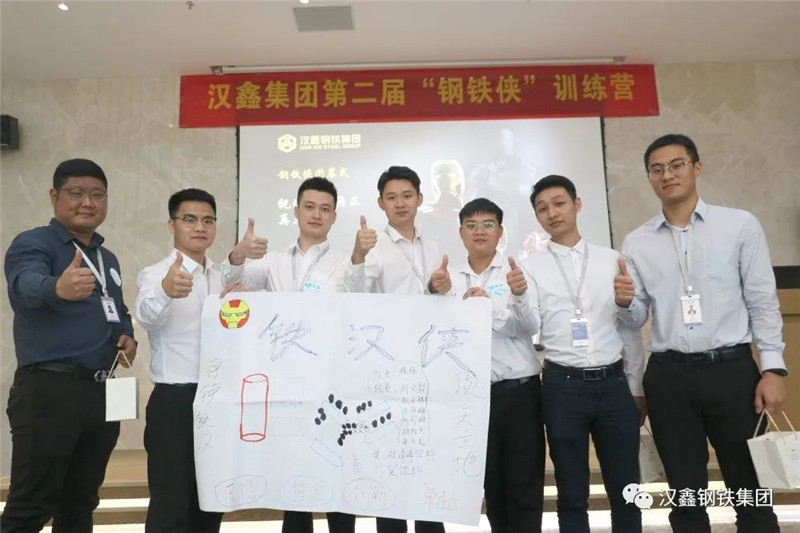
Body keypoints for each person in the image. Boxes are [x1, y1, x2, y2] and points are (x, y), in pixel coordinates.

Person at [616, 133, 786, 533]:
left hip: (731, 371)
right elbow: (635, 318)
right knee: (685, 497)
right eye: (657, 169)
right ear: (649, 178)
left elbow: (762, 300)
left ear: (696, 167)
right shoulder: (636, 241)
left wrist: (773, 368)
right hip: (669, 377)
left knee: (751, 492)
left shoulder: (738, 225)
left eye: (676, 165)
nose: (667, 175)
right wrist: (624, 302)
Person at [2, 158, 137, 532]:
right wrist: (56, 288)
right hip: (50, 390)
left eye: (97, 194)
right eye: (76, 193)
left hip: (100, 393)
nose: (87, 202)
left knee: (79, 503)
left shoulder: (106, 258)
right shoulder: (34, 243)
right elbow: (24, 284)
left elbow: (116, 310)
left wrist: (126, 335)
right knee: (31, 503)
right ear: (54, 196)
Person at [223, 176, 356, 533]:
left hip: (331, 383)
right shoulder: (272, 262)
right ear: (295, 211)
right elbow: (232, 283)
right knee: (293, 479)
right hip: (286, 384)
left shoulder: (345, 264)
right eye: (309, 207)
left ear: (334, 217)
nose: (316, 215)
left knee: (336, 475)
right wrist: (238, 254)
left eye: (324, 209)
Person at [520, 175, 645, 533]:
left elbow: (634, 323)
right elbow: (529, 324)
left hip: (613, 384)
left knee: (627, 489)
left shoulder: (612, 260)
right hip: (562, 386)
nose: (552, 213)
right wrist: (517, 298)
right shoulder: (531, 266)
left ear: (577, 204)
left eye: (559, 203)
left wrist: (626, 303)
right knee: (571, 492)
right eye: (542, 208)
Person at [345, 165, 450, 533]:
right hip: (387, 373)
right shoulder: (373, 247)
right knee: (389, 466)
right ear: (380, 203)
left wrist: (439, 288)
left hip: (428, 370)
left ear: (420, 199)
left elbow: (438, 300)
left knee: (426, 462)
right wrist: (358, 256)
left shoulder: (432, 246)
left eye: (407, 195)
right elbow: (356, 293)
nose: (400, 203)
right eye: (391, 197)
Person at [136, 188, 238, 532]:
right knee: (170, 501)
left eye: (208, 220)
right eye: (190, 219)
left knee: (210, 502)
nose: (200, 227)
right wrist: (165, 290)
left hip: (218, 400)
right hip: (175, 401)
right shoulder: (157, 273)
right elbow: (146, 316)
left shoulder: (221, 278)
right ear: (172, 225)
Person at [450, 198, 545, 533]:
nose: (480, 231)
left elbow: (529, 326)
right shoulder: (449, 278)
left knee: (524, 485)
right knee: (493, 488)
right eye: (472, 225)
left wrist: (497, 304)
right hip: (472, 399)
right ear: (461, 232)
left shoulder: (517, 273)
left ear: (500, 231)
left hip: (520, 393)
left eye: (488, 224)